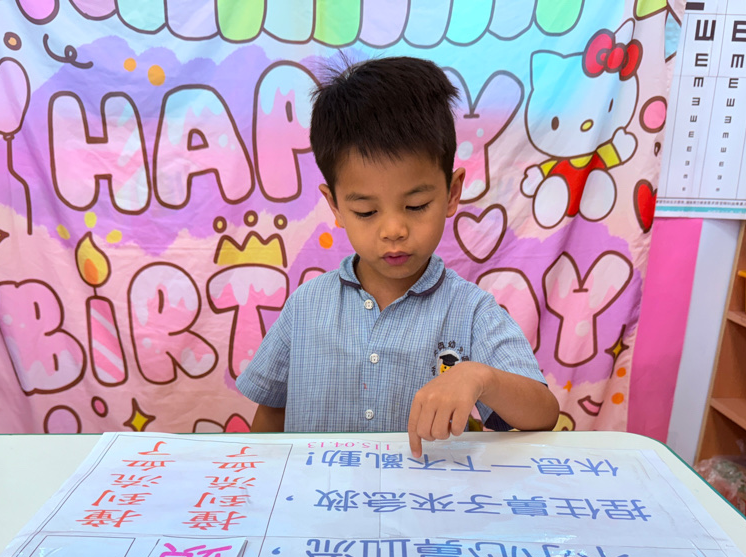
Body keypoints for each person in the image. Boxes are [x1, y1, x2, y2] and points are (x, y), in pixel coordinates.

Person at [236, 56, 559, 457]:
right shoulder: (306, 306)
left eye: (416, 205)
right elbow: (271, 413)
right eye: (366, 211)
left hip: (424, 495)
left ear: (452, 192)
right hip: (315, 495)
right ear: (335, 205)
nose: (393, 230)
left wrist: (480, 377)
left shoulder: (471, 311)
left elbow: (543, 415)